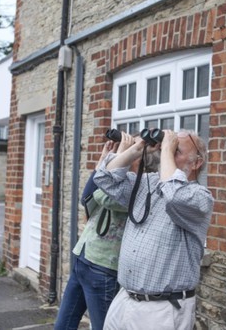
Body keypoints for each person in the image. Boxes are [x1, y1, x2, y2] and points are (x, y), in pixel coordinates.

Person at [94, 129, 214, 330]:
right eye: (170, 148)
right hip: (125, 299)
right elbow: (104, 178)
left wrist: (167, 148)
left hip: (162, 309)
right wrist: (137, 148)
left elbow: (174, 194)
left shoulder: (200, 197)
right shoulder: (147, 183)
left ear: (196, 163)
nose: (168, 151)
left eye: (177, 150)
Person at [54, 132, 159, 330]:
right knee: (64, 325)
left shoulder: (139, 187)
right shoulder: (116, 180)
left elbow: (103, 195)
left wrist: (117, 157)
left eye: (131, 152)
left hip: (103, 267)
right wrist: (105, 159)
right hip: (83, 257)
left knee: (103, 326)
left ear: (139, 159)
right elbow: (87, 198)